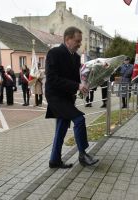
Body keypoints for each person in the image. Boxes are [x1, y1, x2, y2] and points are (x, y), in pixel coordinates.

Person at [45, 26, 99, 168]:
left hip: (68, 97)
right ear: (68, 39)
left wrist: (86, 84)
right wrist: (76, 86)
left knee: (61, 128)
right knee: (79, 119)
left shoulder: (75, 57)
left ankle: (54, 160)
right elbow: (52, 79)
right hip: (55, 96)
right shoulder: (54, 53)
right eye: (77, 41)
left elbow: (77, 79)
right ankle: (83, 154)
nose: (79, 44)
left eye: (80, 41)